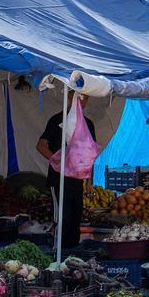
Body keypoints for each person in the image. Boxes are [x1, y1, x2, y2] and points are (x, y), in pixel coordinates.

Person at [36, 93, 97, 249]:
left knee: (75, 219)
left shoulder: (88, 124)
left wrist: (90, 179)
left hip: (77, 181)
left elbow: (90, 154)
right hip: (58, 180)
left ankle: (72, 254)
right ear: (69, 98)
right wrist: (58, 161)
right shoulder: (57, 120)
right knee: (64, 218)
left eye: (85, 98)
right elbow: (41, 146)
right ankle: (59, 252)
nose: (82, 101)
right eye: (79, 97)